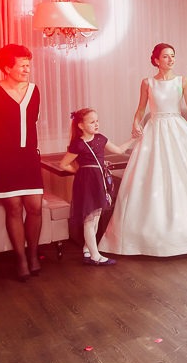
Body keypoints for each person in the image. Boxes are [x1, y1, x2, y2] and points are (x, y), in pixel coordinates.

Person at [99, 42, 187, 257]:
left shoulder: (182, 81)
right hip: (154, 129)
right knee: (150, 177)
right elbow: (140, 109)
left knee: (183, 176)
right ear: (156, 60)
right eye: (166, 56)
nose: (171, 60)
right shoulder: (147, 82)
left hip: (177, 129)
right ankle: (146, 236)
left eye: (173, 56)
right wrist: (136, 123)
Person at [0, 44, 43, 282]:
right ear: (7, 68)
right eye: (22, 65)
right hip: (3, 157)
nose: (27, 69)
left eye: (28, 65)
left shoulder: (34, 90)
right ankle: (21, 260)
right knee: (14, 208)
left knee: (35, 207)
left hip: (28, 157)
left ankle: (33, 255)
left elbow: (33, 121)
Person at [57, 108, 133, 266]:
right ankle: (95, 255)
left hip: (99, 181)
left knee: (96, 217)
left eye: (97, 121)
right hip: (86, 183)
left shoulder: (100, 139)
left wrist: (134, 139)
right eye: (92, 122)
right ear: (81, 125)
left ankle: (87, 249)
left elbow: (119, 150)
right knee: (90, 219)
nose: (96, 124)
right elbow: (63, 164)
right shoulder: (78, 144)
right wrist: (80, 171)